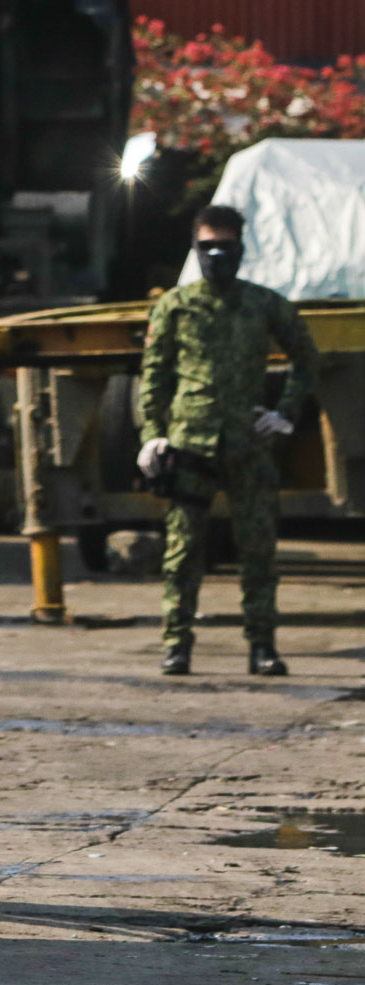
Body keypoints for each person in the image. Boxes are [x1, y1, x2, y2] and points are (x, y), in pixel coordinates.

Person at [137, 204, 318, 677]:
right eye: (207, 246)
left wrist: (286, 412)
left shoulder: (263, 303)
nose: (217, 255)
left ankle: (262, 645)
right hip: (190, 443)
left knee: (258, 549)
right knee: (182, 552)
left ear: (241, 248)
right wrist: (152, 435)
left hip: (247, 443)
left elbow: (306, 355)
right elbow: (153, 376)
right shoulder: (175, 306)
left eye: (226, 247)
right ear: (195, 249)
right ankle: (176, 644)